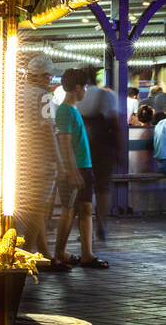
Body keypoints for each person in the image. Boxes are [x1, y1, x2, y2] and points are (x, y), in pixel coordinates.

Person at [53, 68, 108, 270]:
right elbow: (65, 144)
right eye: (84, 87)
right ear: (77, 88)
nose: (85, 91)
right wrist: (72, 172)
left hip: (84, 167)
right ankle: (59, 253)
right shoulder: (65, 111)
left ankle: (87, 254)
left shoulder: (72, 110)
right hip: (75, 170)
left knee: (85, 209)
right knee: (68, 211)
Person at [14, 54, 60, 265]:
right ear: (42, 77)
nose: (50, 80)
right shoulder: (44, 97)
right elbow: (48, 130)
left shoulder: (15, 95)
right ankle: (27, 254)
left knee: (30, 207)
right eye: (48, 76)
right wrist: (59, 161)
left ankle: (44, 254)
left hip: (17, 159)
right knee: (38, 209)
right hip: (39, 160)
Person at [76, 67, 121, 242]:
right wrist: (119, 150)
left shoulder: (78, 96)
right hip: (103, 148)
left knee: (82, 187)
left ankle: (83, 229)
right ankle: (101, 223)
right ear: (96, 78)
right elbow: (115, 124)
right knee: (103, 188)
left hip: (80, 146)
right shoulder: (107, 95)